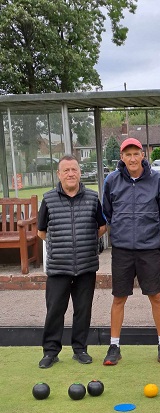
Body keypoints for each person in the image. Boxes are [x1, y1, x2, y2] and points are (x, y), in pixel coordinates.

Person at [102, 137, 160, 365]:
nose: (132, 158)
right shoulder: (111, 180)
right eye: (127, 154)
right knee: (119, 298)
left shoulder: (158, 180)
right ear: (121, 157)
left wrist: (152, 235)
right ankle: (114, 346)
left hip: (149, 249)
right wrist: (122, 232)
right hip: (122, 250)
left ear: (143, 155)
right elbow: (108, 213)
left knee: (156, 296)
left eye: (136, 154)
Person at [37, 154, 107, 368]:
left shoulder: (93, 198)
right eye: (65, 170)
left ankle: (80, 349)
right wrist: (62, 243)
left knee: (83, 310)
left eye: (74, 170)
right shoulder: (48, 199)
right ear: (59, 174)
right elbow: (41, 231)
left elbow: (102, 227)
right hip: (59, 267)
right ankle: (50, 351)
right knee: (55, 311)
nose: (70, 174)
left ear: (79, 173)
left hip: (86, 266)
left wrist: (84, 240)